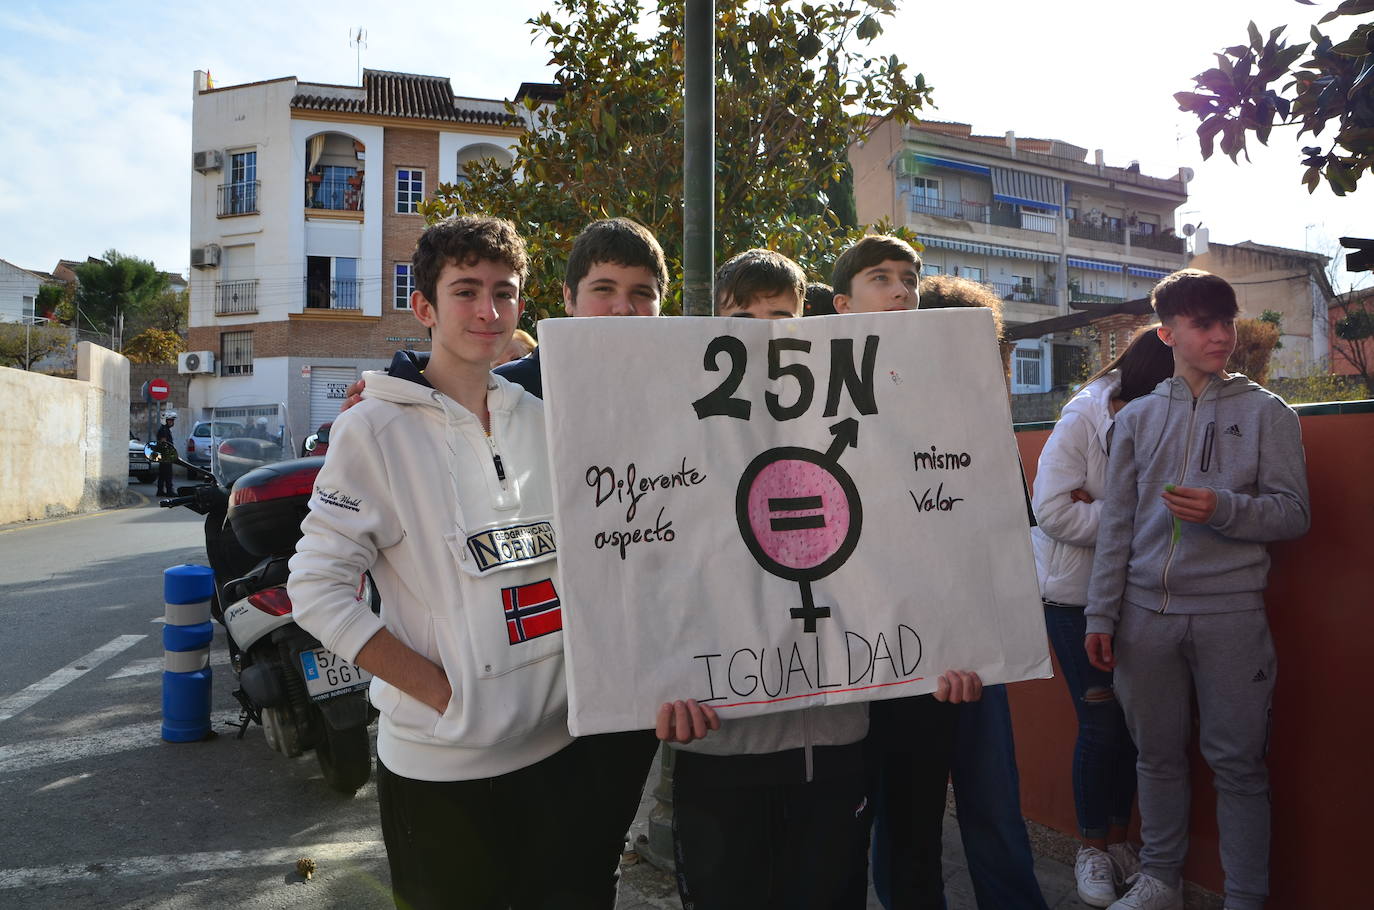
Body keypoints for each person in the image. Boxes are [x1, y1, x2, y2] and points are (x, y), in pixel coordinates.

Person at [288, 214, 657, 910]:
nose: (487, 310)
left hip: (559, 759)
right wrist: (439, 691)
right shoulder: (374, 427)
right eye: (466, 291)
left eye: (504, 291)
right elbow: (315, 587)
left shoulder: (544, 415)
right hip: (440, 776)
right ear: (424, 306)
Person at [1084, 269, 1311, 910]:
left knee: (1239, 766)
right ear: (1168, 332)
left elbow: (1295, 514)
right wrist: (1101, 615)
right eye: (1203, 323)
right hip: (1142, 618)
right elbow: (1117, 528)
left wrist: (1223, 509)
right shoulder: (1136, 420)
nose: (1220, 335)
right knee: (1155, 757)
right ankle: (1161, 880)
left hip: (1232, 615)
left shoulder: (1268, 414)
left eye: (1226, 321)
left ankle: (1245, 897)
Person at [666, 248, 870, 908]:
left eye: (778, 316)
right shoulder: (674, 430)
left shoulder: (861, 423)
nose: (760, 331)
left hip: (833, 738)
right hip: (718, 741)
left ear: (804, 323)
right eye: (741, 316)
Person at [830, 235, 984, 909]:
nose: (900, 290)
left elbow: (988, 531)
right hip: (833, 664)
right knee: (838, 839)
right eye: (880, 278)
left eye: (908, 279)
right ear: (842, 305)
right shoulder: (801, 402)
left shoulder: (959, 401)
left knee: (918, 836)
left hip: (927, 665)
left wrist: (974, 641)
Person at [917, 275, 1050, 910]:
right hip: (893, 661)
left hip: (976, 656)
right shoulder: (865, 428)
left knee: (994, 804)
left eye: (979, 346)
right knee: (905, 824)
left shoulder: (990, 432)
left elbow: (1008, 540)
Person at [1031, 325, 1174, 907]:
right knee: (1100, 726)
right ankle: (1092, 847)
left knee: (1133, 729)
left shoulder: (1163, 418)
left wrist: (1115, 512)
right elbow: (1051, 513)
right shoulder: (1082, 418)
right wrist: (1130, 517)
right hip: (1074, 598)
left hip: (1134, 592)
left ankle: (1119, 842)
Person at [154, 411, 177, 496]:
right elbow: (164, 443)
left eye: (172, 420)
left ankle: (160, 491)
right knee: (167, 474)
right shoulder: (164, 430)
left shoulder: (165, 429)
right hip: (165, 456)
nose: (172, 422)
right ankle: (169, 491)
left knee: (163, 474)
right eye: (170, 420)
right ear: (165, 420)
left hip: (164, 455)